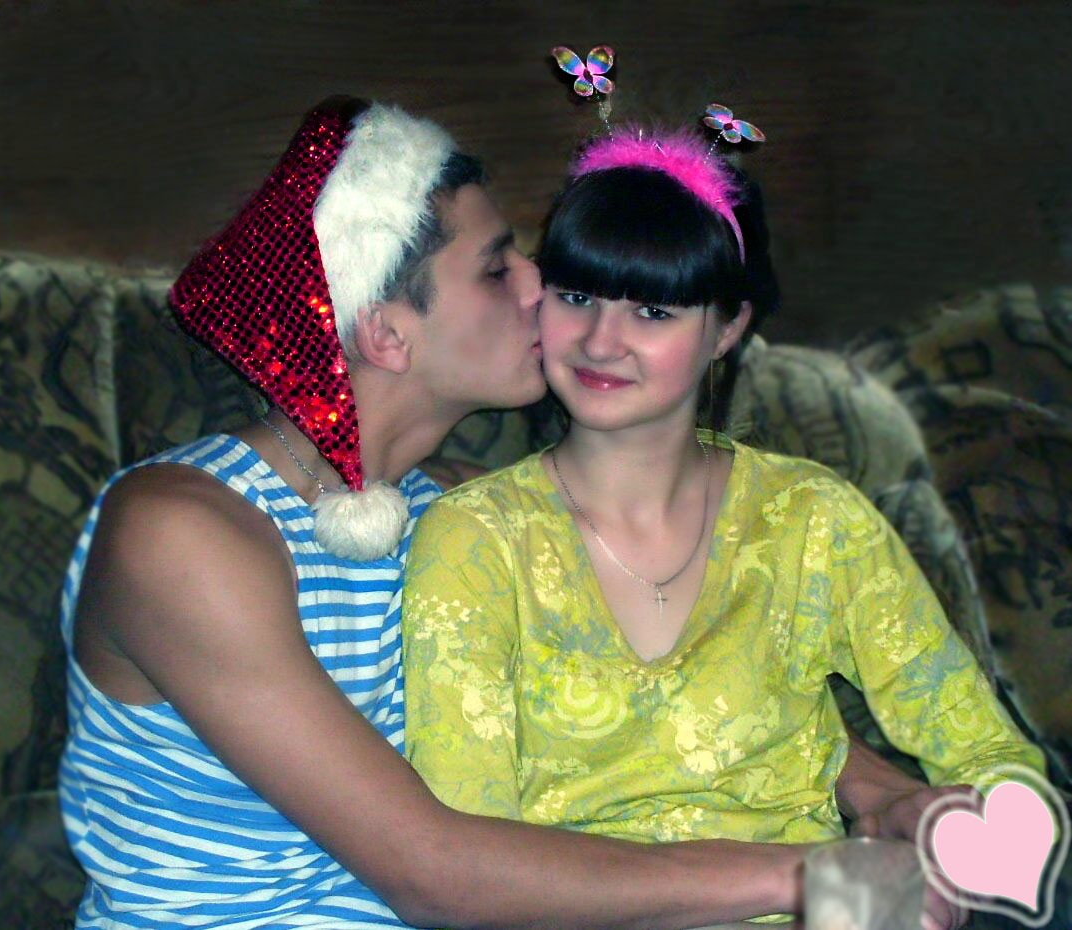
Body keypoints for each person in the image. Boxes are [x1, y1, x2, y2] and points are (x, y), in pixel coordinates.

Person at [60, 94, 975, 930]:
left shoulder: (462, 511)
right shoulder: (182, 534)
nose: (542, 286)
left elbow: (683, 698)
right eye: (497, 268)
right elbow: (431, 872)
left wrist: (879, 792)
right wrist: (805, 876)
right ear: (387, 333)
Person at [401, 123, 1048, 924]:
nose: (601, 341)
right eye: (576, 297)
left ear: (729, 327)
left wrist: (958, 838)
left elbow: (990, 754)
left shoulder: (812, 518)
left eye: (653, 310)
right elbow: (477, 865)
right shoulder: (472, 539)